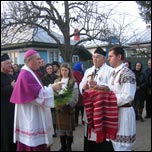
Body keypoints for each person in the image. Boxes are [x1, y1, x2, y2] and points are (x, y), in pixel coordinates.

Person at [10, 50, 63, 151]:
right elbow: (38, 97)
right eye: (38, 59)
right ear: (29, 61)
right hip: (31, 115)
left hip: (33, 112)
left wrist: (50, 87)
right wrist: (52, 88)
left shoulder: (30, 72)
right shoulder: (26, 75)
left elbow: (38, 91)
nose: (40, 61)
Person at [79, 47, 115, 151]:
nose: (95, 59)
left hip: (102, 107)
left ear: (104, 59)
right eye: (93, 57)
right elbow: (81, 83)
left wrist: (98, 85)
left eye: (97, 57)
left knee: (101, 132)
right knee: (90, 133)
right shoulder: (88, 71)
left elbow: (111, 87)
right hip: (90, 106)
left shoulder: (110, 71)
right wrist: (83, 87)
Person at [107, 46, 136, 151]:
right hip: (114, 112)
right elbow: (112, 90)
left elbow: (128, 95)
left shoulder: (127, 73)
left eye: (111, 56)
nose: (108, 59)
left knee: (123, 147)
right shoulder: (114, 72)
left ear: (119, 57)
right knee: (115, 144)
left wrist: (109, 100)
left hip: (124, 113)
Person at [53, 63, 78, 151]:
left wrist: (67, 102)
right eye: (62, 70)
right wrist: (57, 102)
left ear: (69, 71)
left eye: (66, 70)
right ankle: (63, 146)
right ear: (60, 71)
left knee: (68, 131)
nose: (64, 72)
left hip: (68, 109)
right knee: (61, 130)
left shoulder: (72, 82)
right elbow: (54, 93)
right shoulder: (56, 81)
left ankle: (69, 147)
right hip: (59, 109)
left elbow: (75, 96)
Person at [1, 54, 16, 151]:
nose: (10, 65)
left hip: (12, 110)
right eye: (7, 63)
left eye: (10, 63)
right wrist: (11, 87)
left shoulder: (10, 76)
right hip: (3, 112)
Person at [41, 63, 59, 137]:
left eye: (51, 68)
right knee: (50, 115)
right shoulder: (43, 78)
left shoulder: (56, 77)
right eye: (48, 69)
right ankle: (51, 130)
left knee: (55, 114)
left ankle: (55, 129)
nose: (49, 70)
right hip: (48, 97)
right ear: (46, 70)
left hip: (56, 97)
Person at [72, 62, 84, 127]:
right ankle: (76, 121)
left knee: (82, 108)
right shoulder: (75, 73)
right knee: (77, 109)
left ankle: (82, 121)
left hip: (82, 94)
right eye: (81, 66)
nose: (83, 67)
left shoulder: (82, 73)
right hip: (77, 93)